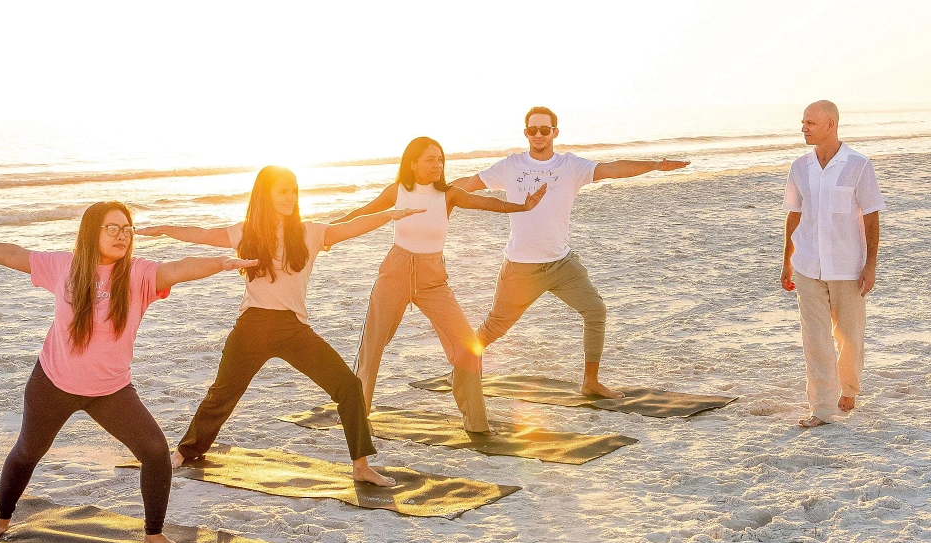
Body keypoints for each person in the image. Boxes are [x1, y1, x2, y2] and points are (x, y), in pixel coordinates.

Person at [0, 201, 256, 543]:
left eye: (127, 229)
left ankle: (154, 535)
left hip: (111, 391)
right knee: (28, 451)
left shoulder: (138, 274)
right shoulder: (64, 266)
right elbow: (15, 254)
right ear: (93, 231)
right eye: (112, 228)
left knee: (155, 454)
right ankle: (0, 520)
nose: (122, 235)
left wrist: (221, 263)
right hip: (53, 383)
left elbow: (178, 268)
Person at [137, 166, 423, 487]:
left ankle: (361, 465)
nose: (289, 197)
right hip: (253, 326)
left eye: (293, 191)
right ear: (266, 195)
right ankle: (187, 451)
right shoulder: (247, 233)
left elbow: (352, 227)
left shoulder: (309, 233)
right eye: (282, 191)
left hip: (293, 328)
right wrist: (163, 228)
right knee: (222, 394)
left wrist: (391, 215)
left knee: (348, 387)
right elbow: (202, 233)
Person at [452, 106, 689, 398]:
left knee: (595, 310)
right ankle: (461, 367)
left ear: (555, 132)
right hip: (521, 268)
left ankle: (591, 382)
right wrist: (433, 192)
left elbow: (613, 169)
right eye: (532, 130)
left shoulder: (571, 166)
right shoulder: (510, 166)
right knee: (493, 329)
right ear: (526, 133)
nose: (538, 134)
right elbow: (467, 186)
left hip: (561, 264)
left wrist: (654, 165)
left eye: (544, 129)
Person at [333, 136, 547, 433]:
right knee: (372, 348)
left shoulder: (449, 195)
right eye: (430, 159)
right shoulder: (396, 191)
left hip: (433, 279)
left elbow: (486, 203)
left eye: (440, 159)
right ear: (413, 163)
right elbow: (363, 214)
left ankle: (476, 423)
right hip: (394, 273)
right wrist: (328, 235)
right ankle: (359, 413)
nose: (437, 164)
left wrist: (522, 207)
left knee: (468, 347)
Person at [780, 100, 885, 428]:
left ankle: (850, 388)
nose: (804, 128)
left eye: (810, 122)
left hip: (847, 265)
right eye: (803, 122)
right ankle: (821, 408)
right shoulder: (799, 167)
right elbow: (794, 216)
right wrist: (786, 259)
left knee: (849, 335)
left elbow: (871, 217)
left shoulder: (858, 165)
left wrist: (870, 265)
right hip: (807, 263)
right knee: (815, 338)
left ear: (831, 125)